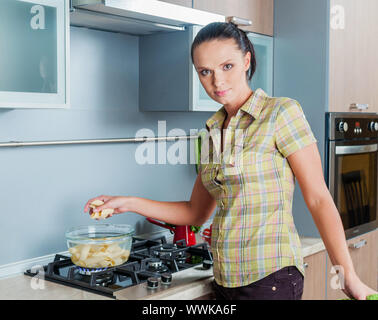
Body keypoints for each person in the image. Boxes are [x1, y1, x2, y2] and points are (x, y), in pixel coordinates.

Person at [84, 22, 377, 300]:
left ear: (247, 61)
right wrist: (127, 202)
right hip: (224, 280)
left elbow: (318, 199)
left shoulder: (281, 113)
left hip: (270, 279)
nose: (217, 81)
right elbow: (195, 212)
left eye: (227, 66)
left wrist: (346, 272)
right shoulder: (211, 133)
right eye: (205, 72)